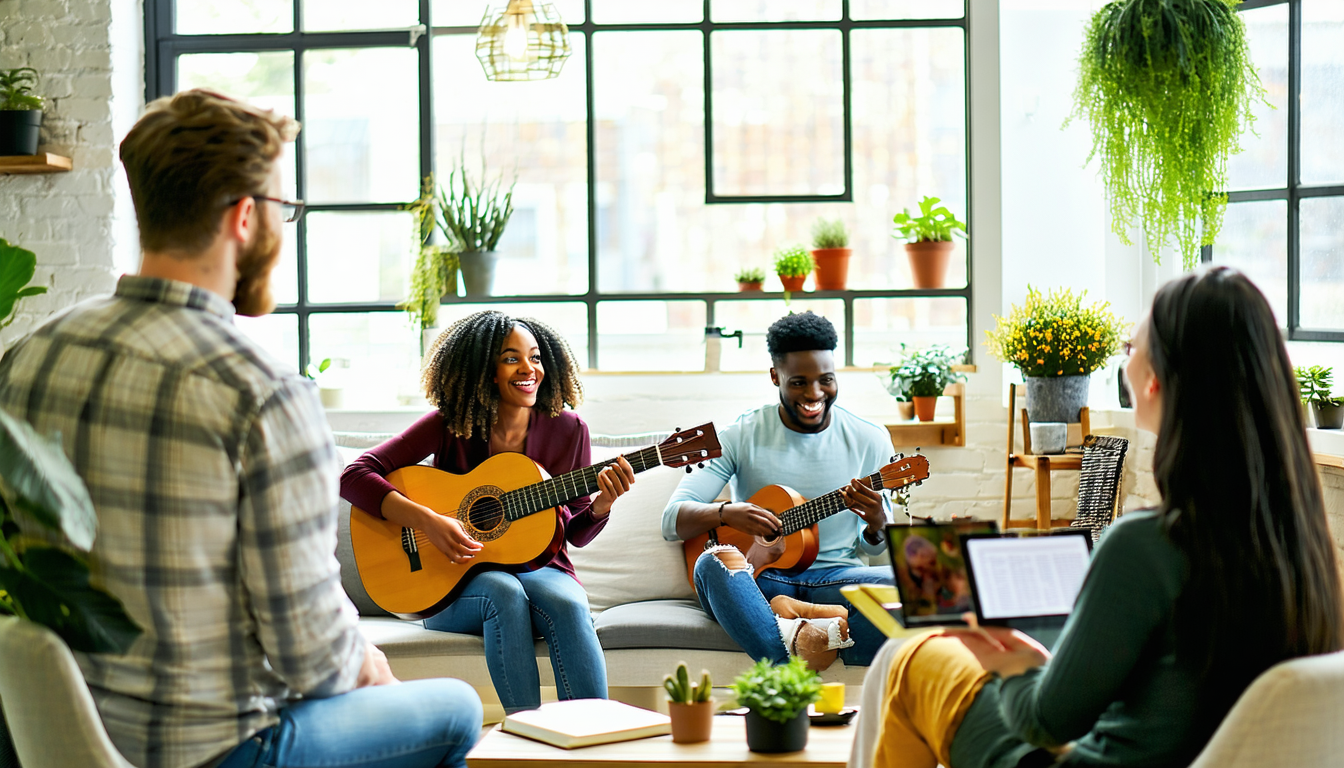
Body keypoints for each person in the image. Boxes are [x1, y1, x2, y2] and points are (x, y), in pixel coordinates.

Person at [0, 89, 483, 768]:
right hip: (217, 751)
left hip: (52, 741)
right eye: (284, 210)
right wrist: (373, 670)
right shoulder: (261, 392)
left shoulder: (30, 355)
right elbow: (311, 653)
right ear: (246, 217)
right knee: (456, 709)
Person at [873, 266, 1344, 768]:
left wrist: (1011, 658)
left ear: (1157, 380)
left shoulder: (1148, 544)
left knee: (914, 661)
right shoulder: (1304, 544)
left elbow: (1046, 722)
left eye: (1129, 349)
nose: (1125, 363)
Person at [341, 310, 636, 714]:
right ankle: (525, 739)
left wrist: (602, 505)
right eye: (511, 358)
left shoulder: (569, 430)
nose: (528, 369)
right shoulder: (451, 424)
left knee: (568, 604)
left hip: (542, 570)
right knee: (503, 590)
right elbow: (354, 474)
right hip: (449, 581)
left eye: (535, 357)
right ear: (484, 370)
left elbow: (576, 534)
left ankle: (592, 735)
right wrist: (427, 520)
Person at [661, 311, 896, 671]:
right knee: (710, 564)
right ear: (776, 376)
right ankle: (811, 646)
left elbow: (874, 547)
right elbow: (672, 519)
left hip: (837, 579)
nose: (814, 394)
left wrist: (877, 523)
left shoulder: (870, 438)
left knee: (909, 590)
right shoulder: (742, 434)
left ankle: (793, 637)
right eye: (799, 382)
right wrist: (728, 513)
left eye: (826, 380)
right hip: (761, 579)